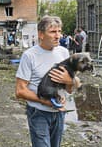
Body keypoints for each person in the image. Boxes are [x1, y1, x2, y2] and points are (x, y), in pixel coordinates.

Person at [15, 16, 76, 147]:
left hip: (59, 113)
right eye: (53, 32)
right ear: (41, 34)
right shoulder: (29, 56)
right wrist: (45, 101)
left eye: (59, 31)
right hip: (39, 113)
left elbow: (69, 89)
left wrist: (69, 81)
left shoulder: (64, 53)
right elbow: (20, 91)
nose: (58, 36)